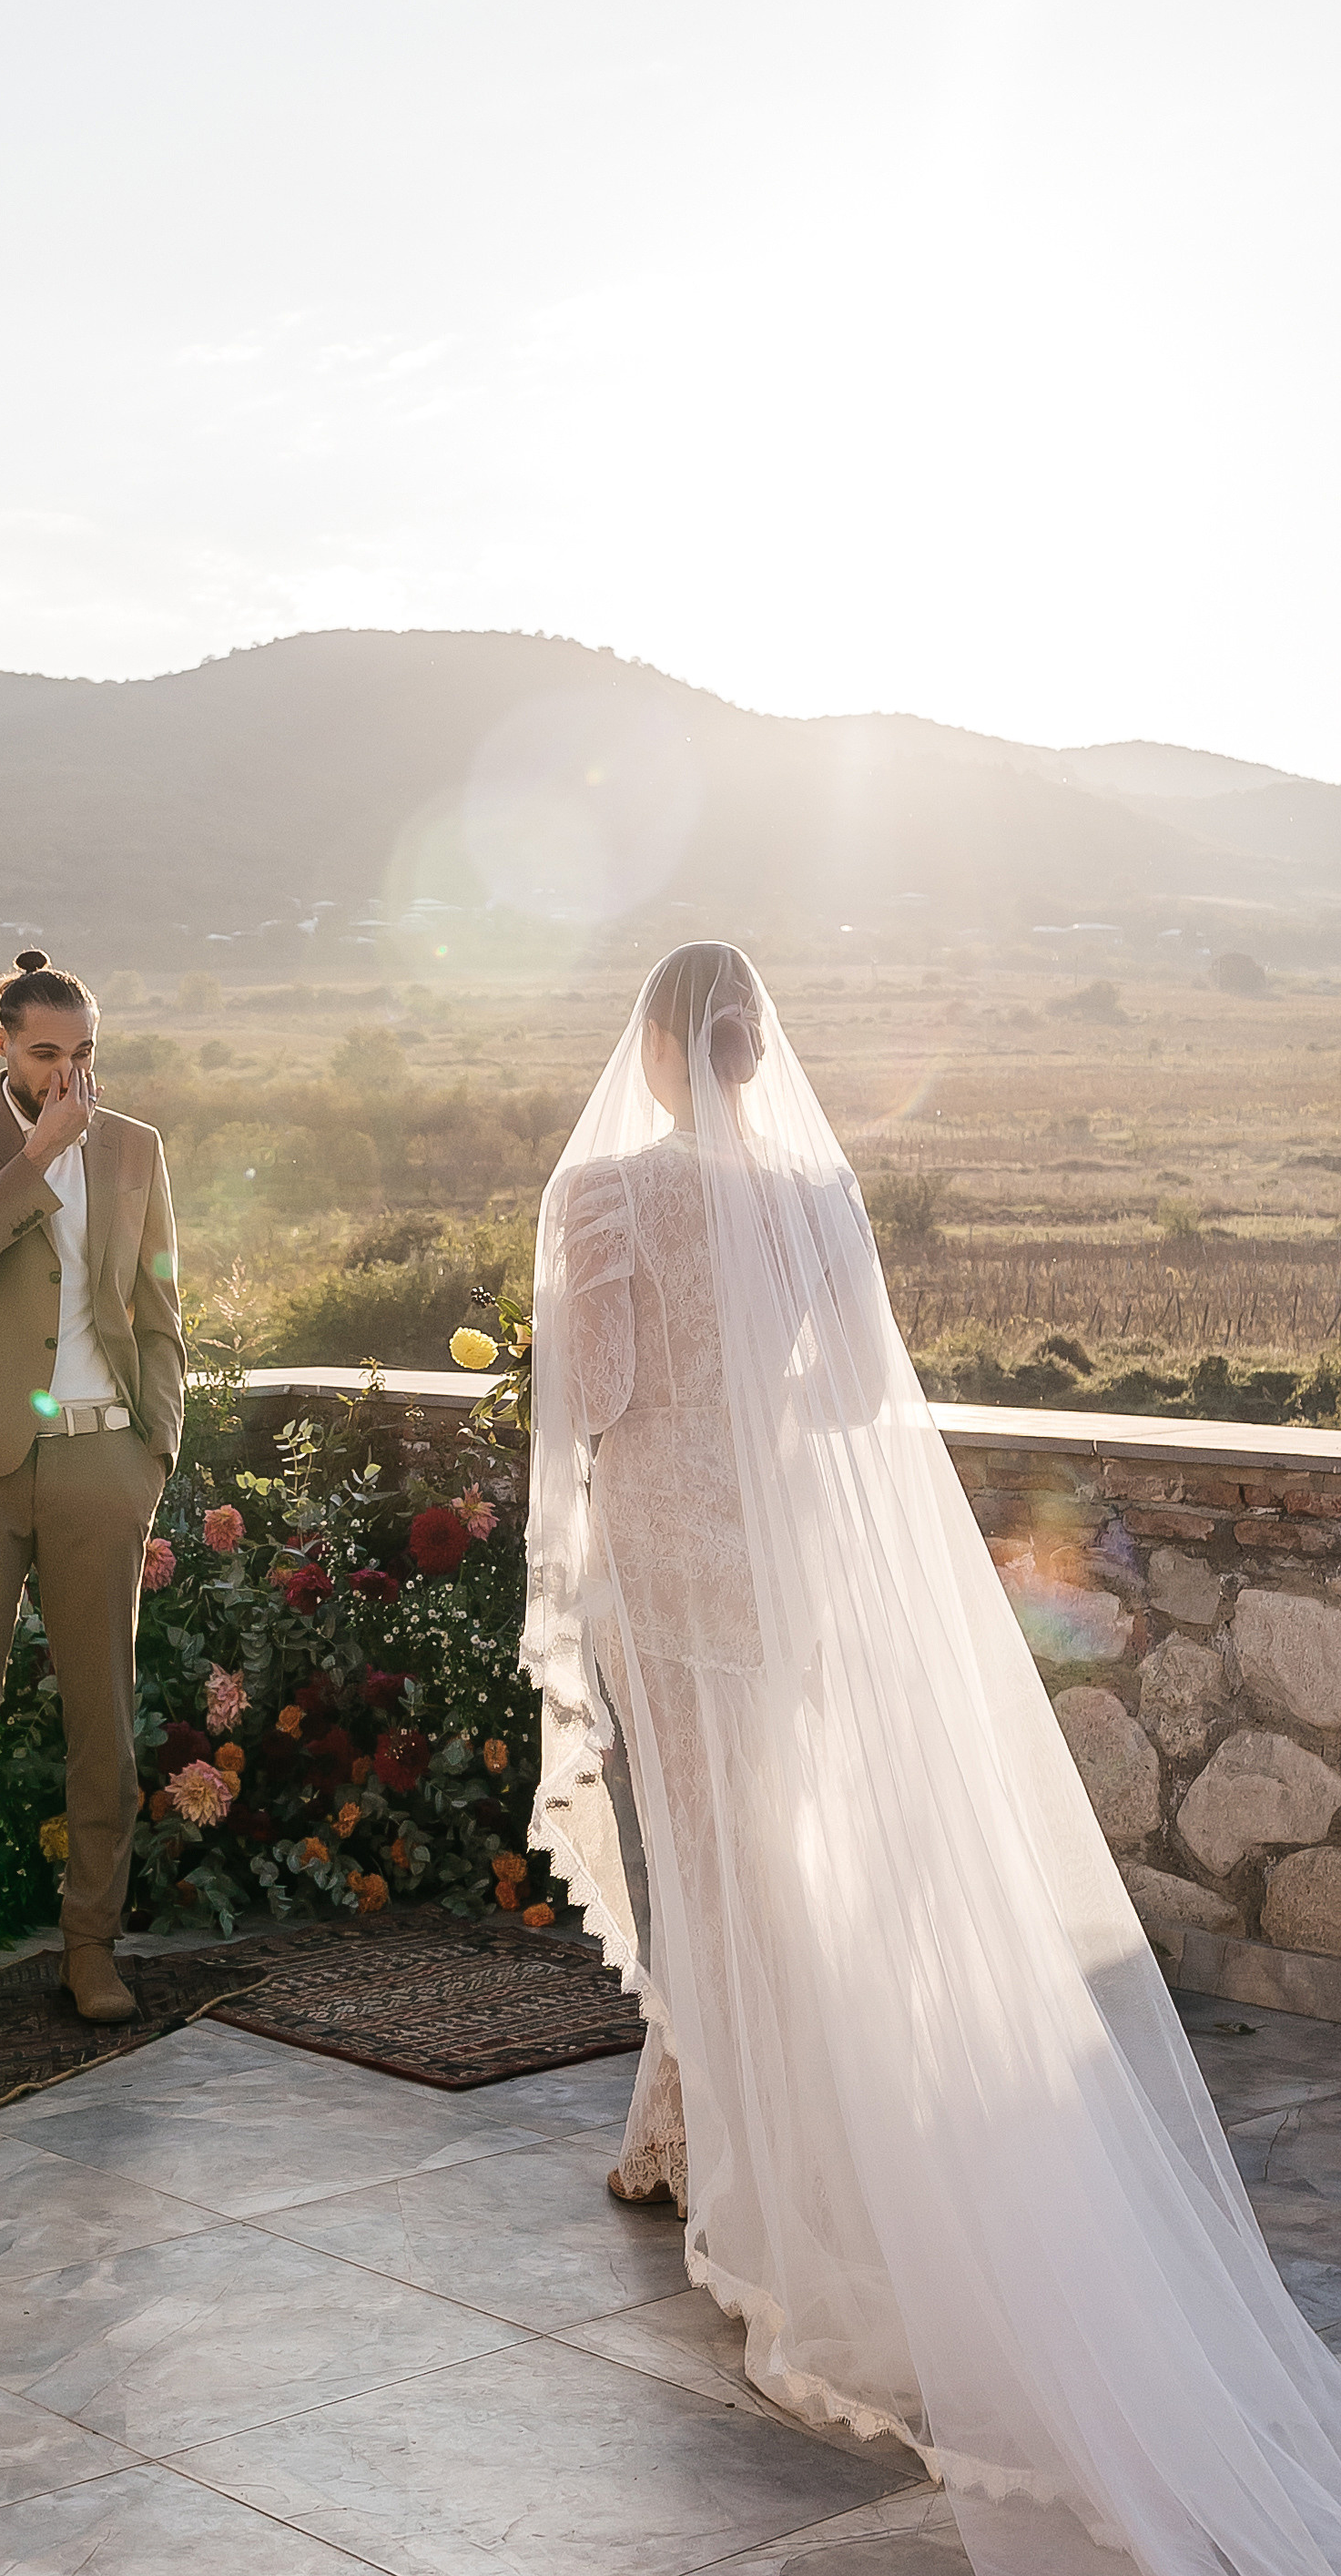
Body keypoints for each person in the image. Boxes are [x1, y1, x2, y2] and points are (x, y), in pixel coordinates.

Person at [526, 942, 1341, 2576]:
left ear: (660, 1050)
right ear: (756, 1052)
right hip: (786, 1563)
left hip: (671, 1566)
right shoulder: (818, 1200)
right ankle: (681, 2121)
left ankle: (742, 2148)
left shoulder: (608, 1194)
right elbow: (847, 1402)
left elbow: (596, 1394)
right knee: (777, 1840)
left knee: (709, 1852)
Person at [0, 950, 185, 2031]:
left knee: (103, 1722)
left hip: (101, 1462)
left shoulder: (136, 1147)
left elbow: (158, 1305)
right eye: (45, 1052)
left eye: (85, 1052)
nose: (68, 1073)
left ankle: (89, 1948)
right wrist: (38, 1154)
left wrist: (153, 1451)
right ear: (1, 1045)